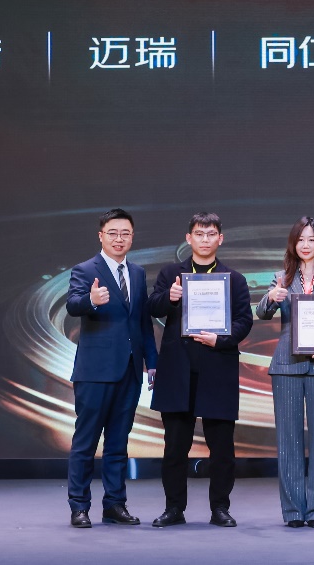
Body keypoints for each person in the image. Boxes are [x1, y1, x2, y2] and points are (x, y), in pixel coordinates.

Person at [147, 212, 253, 528]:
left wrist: (221, 339)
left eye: (210, 234)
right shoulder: (171, 274)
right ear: (188, 238)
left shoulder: (234, 279)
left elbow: (244, 320)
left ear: (220, 238)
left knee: (222, 450)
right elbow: (152, 307)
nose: (205, 239)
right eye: (199, 233)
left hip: (217, 369)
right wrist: (169, 298)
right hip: (177, 371)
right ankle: (174, 509)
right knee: (174, 448)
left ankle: (220, 508)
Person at [254, 216, 314, 528]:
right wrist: (271, 297)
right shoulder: (280, 278)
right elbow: (261, 313)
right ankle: (294, 510)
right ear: (293, 243)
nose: (306, 245)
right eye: (300, 239)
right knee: (289, 441)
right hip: (287, 365)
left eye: (311, 239)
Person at [64, 208, 159, 528]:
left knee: (118, 443)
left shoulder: (137, 273)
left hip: (130, 371)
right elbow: (73, 305)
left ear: (132, 237)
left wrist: (152, 362)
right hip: (95, 371)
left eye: (125, 233)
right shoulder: (84, 270)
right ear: (101, 236)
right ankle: (79, 506)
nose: (119, 239)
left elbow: (143, 322)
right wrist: (91, 300)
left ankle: (115, 505)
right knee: (85, 442)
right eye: (113, 233)